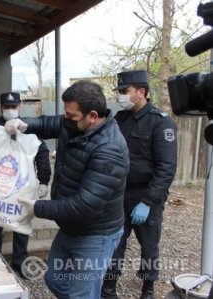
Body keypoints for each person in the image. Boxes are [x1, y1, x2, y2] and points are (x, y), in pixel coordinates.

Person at [4, 80, 129, 298]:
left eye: (71, 116)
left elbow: (84, 206)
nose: (65, 119)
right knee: (54, 280)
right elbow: (45, 123)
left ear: (92, 116)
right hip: (71, 226)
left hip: (95, 233)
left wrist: (38, 208)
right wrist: (21, 123)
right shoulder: (74, 124)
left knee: (83, 293)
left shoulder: (110, 149)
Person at [101, 70, 178, 299]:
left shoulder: (160, 123)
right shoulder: (119, 120)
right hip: (120, 195)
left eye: (125, 92)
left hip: (147, 196)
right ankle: (108, 287)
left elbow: (166, 169)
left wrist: (147, 201)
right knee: (115, 244)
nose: (121, 96)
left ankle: (148, 288)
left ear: (141, 92)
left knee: (149, 247)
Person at [0, 91, 51, 275]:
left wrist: (44, 180)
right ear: (1, 107)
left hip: (22, 187)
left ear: (19, 106)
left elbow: (42, 153)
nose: (10, 110)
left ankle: (19, 264)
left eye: (13, 107)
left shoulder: (27, 127)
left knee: (22, 227)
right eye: (7, 107)